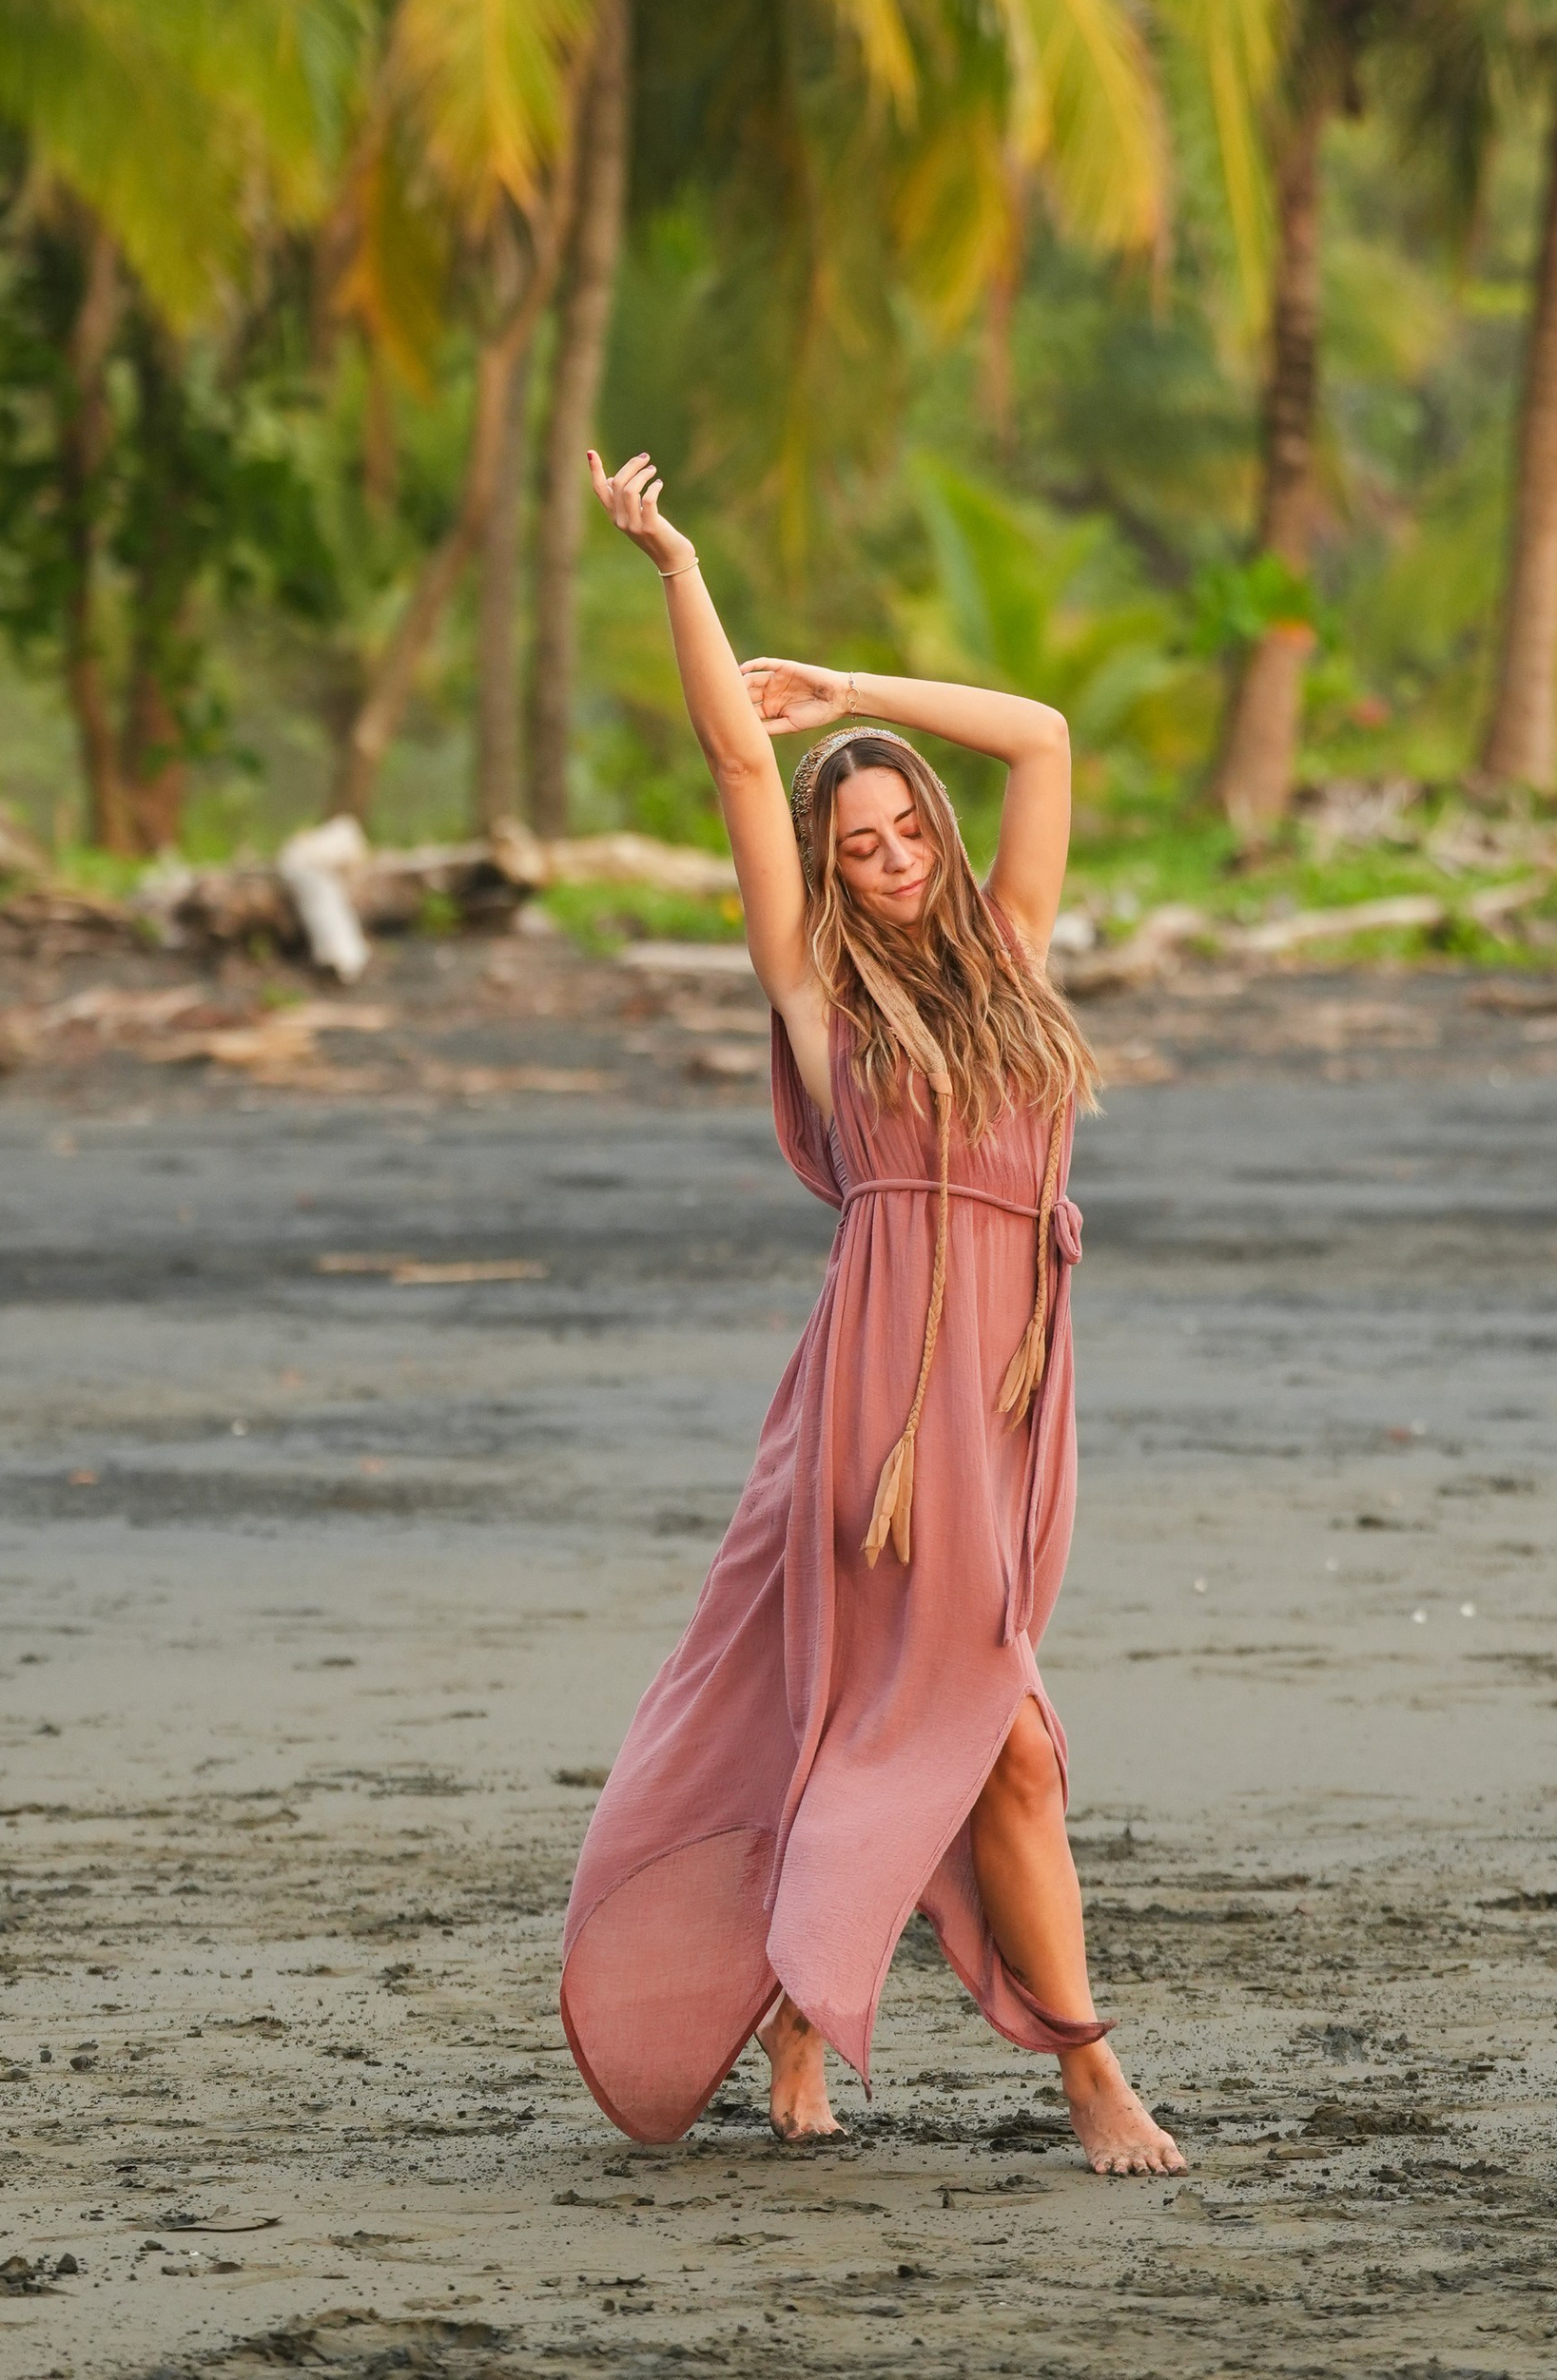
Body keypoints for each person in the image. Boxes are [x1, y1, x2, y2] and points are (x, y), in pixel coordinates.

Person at [557, 445, 1181, 2177]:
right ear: (827, 869)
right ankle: (1088, 2079)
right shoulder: (820, 988)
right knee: (1006, 1753)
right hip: (879, 1428)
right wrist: (680, 567)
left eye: (909, 827)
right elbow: (732, 760)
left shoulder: (1021, 956)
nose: (892, 855)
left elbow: (1045, 733)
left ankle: (797, 2028)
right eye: (861, 839)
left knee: (895, 1733)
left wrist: (853, 690)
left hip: (1008, 1411)